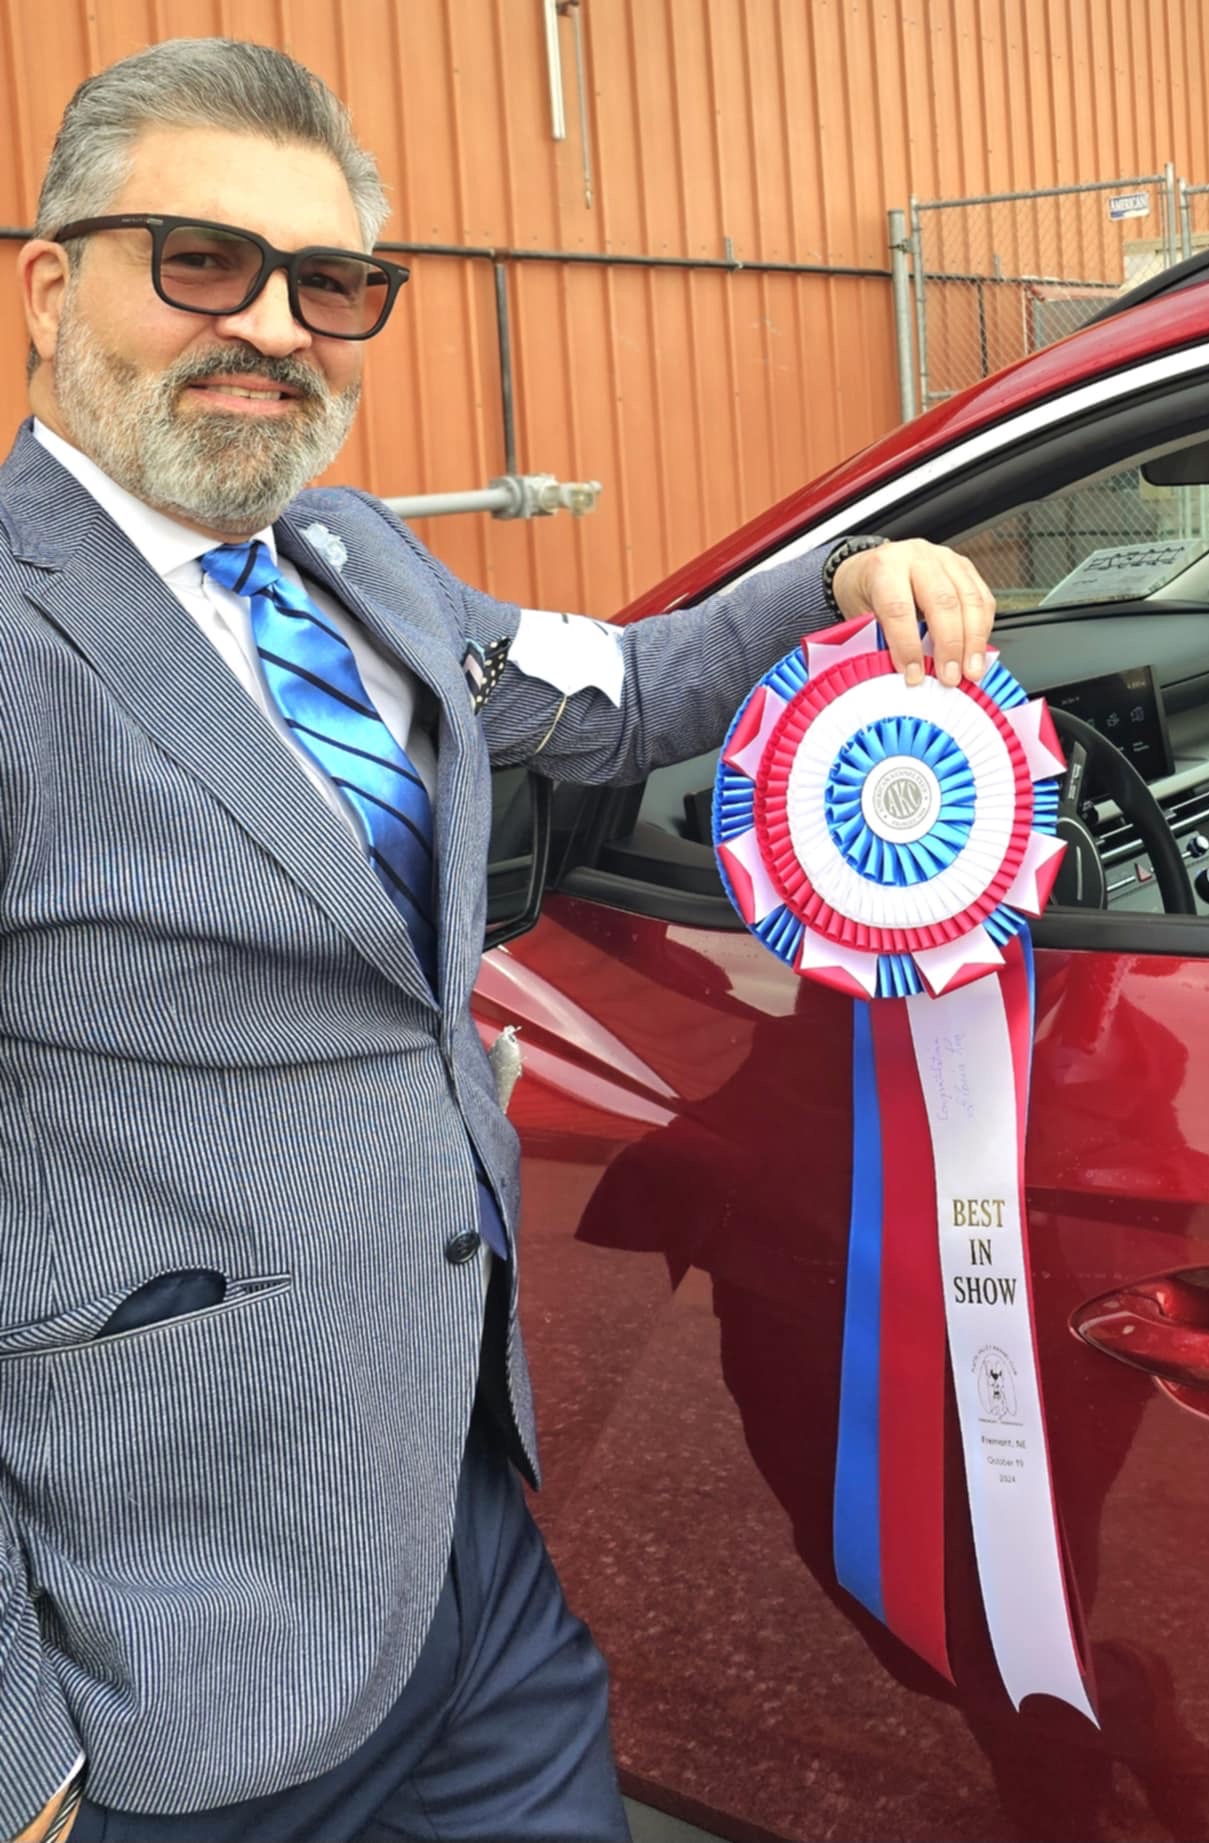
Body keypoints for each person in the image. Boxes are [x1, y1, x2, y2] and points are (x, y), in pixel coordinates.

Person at [0, 37, 995, 1843]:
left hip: (466, 1549)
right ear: (53, 290)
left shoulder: (355, 562)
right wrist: (16, 1749)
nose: (274, 326)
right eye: (202, 262)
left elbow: (620, 696)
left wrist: (846, 584)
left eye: (329, 282)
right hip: (164, 1654)